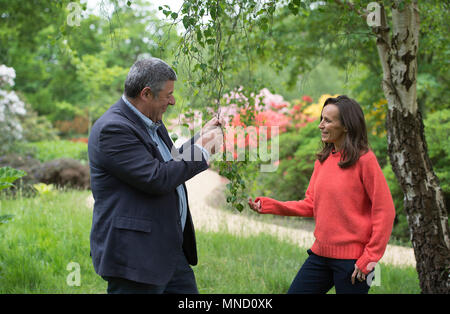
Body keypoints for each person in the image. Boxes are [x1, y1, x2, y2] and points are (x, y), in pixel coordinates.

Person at [88, 57, 223, 294]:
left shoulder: (152, 122)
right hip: (136, 257)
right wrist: (201, 149)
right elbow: (157, 178)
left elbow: (170, 162)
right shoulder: (113, 129)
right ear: (146, 94)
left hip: (168, 251)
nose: (172, 101)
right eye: (168, 94)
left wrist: (201, 137)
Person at [248, 95, 395, 294]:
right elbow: (311, 204)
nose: (321, 125)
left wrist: (370, 257)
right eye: (321, 119)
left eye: (328, 120)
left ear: (346, 126)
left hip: (354, 263)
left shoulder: (364, 160)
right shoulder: (323, 160)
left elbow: (384, 210)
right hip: (320, 255)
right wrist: (270, 206)